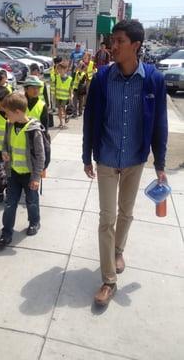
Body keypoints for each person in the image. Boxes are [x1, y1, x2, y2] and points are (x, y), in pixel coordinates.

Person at [82, 20, 168, 307]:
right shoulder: (102, 78)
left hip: (134, 160)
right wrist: (86, 155)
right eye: (111, 41)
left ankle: (118, 250)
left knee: (126, 213)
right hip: (106, 157)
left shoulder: (153, 79)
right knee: (106, 219)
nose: (112, 46)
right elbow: (90, 119)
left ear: (136, 45)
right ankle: (108, 281)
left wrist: (160, 164)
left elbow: (159, 124)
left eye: (119, 41)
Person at [0, 93, 45, 247]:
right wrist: (4, 151)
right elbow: (5, 142)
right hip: (13, 174)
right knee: (10, 204)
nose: (5, 116)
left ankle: (34, 222)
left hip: (29, 175)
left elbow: (40, 156)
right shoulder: (10, 124)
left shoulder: (34, 131)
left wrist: (36, 178)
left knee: (31, 201)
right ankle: (6, 232)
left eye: (7, 113)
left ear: (17, 112)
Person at [55, 63, 73, 129]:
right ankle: (61, 123)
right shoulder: (57, 77)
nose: (59, 70)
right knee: (59, 109)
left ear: (65, 69)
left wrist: (71, 96)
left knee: (63, 108)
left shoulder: (70, 79)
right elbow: (55, 86)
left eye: (61, 69)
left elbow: (70, 88)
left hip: (65, 97)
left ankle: (66, 116)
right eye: (58, 69)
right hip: (58, 96)